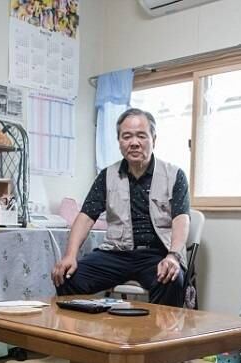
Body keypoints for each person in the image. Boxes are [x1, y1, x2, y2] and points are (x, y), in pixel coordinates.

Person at [51, 108, 190, 308]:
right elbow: (85, 216)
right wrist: (70, 255)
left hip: (157, 253)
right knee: (68, 276)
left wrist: (174, 256)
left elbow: (181, 219)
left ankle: (158, 337)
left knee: (171, 279)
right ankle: (80, 336)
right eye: (127, 136)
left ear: (154, 139)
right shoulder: (107, 175)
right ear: (119, 142)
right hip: (116, 253)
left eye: (141, 136)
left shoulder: (174, 175)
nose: (134, 142)